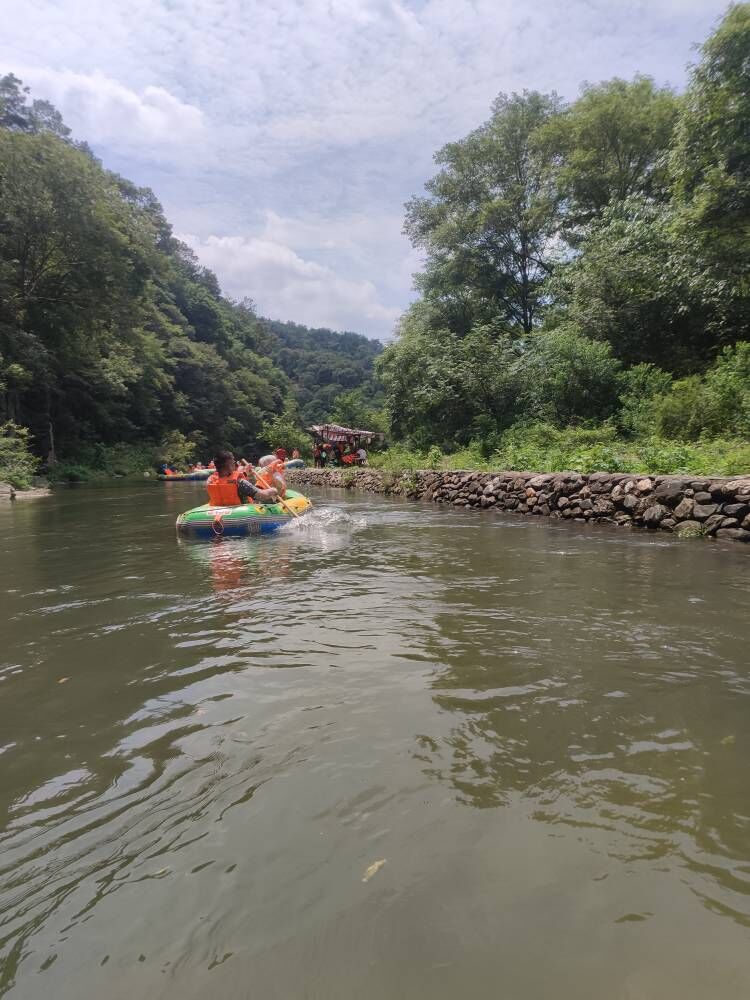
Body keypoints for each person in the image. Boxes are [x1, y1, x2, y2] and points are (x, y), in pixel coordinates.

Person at [206, 451, 278, 507]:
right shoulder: (240, 483)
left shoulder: (210, 481)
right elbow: (261, 496)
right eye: (233, 462)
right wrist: (273, 490)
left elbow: (225, 480)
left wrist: (246, 473)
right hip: (241, 514)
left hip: (218, 511)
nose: (235, 464)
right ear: (229, 464)